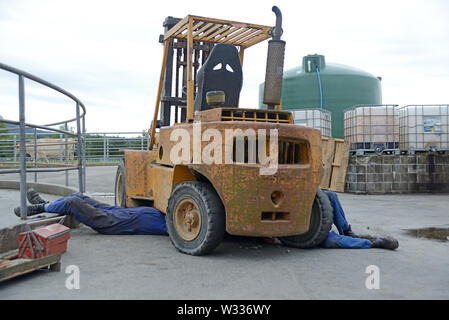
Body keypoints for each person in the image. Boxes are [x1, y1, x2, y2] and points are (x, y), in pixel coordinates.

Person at [15, 189, 398, 250]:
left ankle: (361, 239)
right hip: (134, 218)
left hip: (132, 220)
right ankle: (42, 205)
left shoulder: (278, 237)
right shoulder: (117, 222)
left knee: (326, 218)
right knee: (79, 202)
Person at [14, 189, 168, 236]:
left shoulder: (171, 226)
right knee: (78, 196)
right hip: (118, 211)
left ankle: (40, 207)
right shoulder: (172, 210)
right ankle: (45, 204)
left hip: (112, 222)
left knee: (73, 203)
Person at [319, 190, 399, 250]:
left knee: (331, 195)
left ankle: (346, 231)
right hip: (310, 232)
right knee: (329, 240)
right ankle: (372, 243)